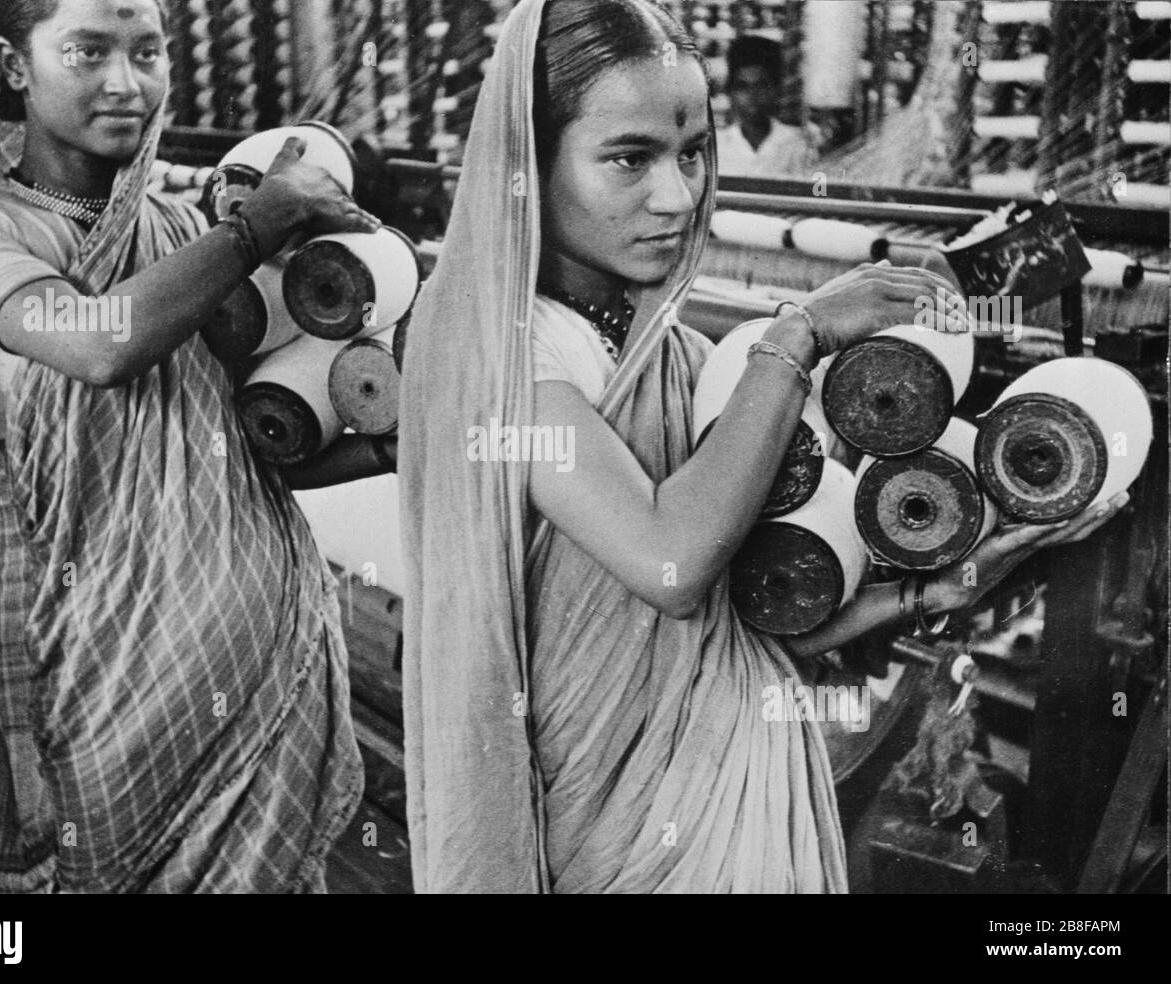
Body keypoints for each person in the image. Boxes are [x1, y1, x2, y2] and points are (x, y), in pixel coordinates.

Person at [397, 0, 1124, 894]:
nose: (678, 195)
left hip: (719, 793)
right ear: (529, 165)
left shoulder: (675, 356)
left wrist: (939, 585)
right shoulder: (498, 347)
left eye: (693, 152)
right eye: (629, 158)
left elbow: (747, 628)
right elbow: (673, 563)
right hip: (604, 831)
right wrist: (798, 336)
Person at [0, 0, 389, 892]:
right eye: (87, 51)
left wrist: (390, 440)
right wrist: (254, 230)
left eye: (148, 52)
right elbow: (100, 344)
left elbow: (257, 450)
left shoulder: (179, 234)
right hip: (107, 689)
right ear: (14, 65)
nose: (126, 84)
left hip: (265, 682)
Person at [716, 34, 816, 178]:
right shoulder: (717, 146)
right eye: (743, 87)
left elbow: (815, 192)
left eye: (761, 85)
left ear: (776, 89)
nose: (752, 95)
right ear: (730, 92)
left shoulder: (797, 143)